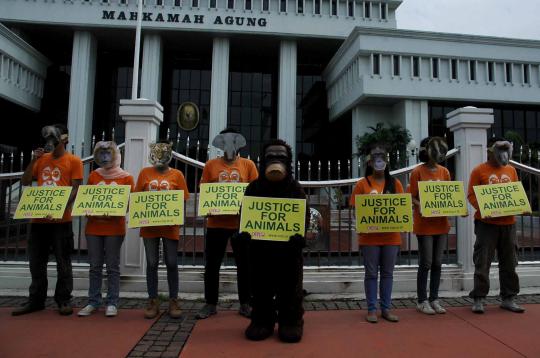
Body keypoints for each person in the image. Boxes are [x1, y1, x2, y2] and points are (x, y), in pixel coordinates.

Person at [12, 124, 83, 316]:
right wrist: (33, 160)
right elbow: (26, 181)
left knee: (63, 262)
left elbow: (76, 188)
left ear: (64, 140)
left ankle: (63, 300)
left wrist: (62, 208)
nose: (51, 143)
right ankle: (36, 300)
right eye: (49, 139)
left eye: (55, 139)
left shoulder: (74, 161)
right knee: (36, 262)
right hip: (38, 221)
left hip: (61, 221)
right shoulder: (41, 159)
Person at [242, 139, 308, 343]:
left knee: (290, 289)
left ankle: (291, 321)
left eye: (281, 157)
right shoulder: (254, 188)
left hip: (288, 252)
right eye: (271, 156)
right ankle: (262, 320)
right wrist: (243, 234)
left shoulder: (295, 189)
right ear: (264, 161)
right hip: (260, 251)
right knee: (260, 288)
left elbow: (302, 217)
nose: (276, 160)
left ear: (288, 162)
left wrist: (299, 238)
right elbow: (244, 215)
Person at [196, 128, 258, 320]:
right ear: (221, 145)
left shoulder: (248, 165)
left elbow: (255, 191)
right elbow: (204, 189)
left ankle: (246, 303)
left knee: (245, 264)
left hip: (241, 224)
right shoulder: (210, 165)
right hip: (216, 223)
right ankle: (210, 303)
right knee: (212, 265)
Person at [468, 137, 525, 314]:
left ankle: (509, 298)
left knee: (509, 262)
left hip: (508, 224)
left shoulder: (511, 170)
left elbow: (516, 192)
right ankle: (479, 298)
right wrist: (484, 208)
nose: (503, 154)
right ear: (490, 151)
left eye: (505, 149)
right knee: (482, 261)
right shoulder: (479, 171)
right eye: (499, 149)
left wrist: (521, 206)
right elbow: (471, 195)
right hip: (487, 224)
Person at [78, 141, 134, 317]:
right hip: (94, 227)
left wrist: (113, 211)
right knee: (94, 266)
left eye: (108, 154)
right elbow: (87, 200)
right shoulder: (94, 175)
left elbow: (127, 204)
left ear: (116, 155)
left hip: (114, 228)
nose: (104, 158)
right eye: (101, 154)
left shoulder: (126, 177)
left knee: (112, 266)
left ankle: (112, 302)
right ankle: (93, 301)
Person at [134, 140, 190, 319]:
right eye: (156, 153)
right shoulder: (144, 173)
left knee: (172, 263)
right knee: (151, 263)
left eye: (163, 153)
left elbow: (183, 199)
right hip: (149, 227)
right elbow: (137, 198)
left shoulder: (178, 174)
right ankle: (153, 300)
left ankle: (173, 299)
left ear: (170, 154)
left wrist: (175, 214)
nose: (160, 157)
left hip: (170, 226)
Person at [350, 144, 404, 323]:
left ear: (387, 162)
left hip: (391, 237)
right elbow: (354, 209)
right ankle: (372, 309)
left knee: (388, 273)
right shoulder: (361, 184)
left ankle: (386, 309)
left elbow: (402, 208)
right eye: (375, 158)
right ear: (370, 163)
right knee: (371, 274)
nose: (379, 162)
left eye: (382, 158)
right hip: (369, 238)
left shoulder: (395, 184)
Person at [409, 137, 450, 315]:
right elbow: (411, 196)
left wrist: (458, 208)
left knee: (438, 262)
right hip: (424, 224)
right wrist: (422, 206)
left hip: (441, 224)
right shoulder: (417, 172)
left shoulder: (445, 172)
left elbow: (450, 195)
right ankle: (422, 300)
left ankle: (434, 298)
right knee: (426, 262)